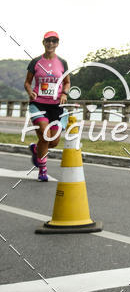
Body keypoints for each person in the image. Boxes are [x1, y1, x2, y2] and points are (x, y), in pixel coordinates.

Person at [24, 31, 70, 182]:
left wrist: (64, 93)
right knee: (45, 135)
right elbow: (27, 83)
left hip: (56, 106)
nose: (51, 43)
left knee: (54, 142)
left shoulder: (62, 63)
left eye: (54, 41)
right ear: (43, 42)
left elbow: (67, 82)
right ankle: (42, 170)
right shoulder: (36, 62)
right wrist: (30, 92)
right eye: (48, 41)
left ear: (57, 43)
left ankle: (37, 149)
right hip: (38, 104)